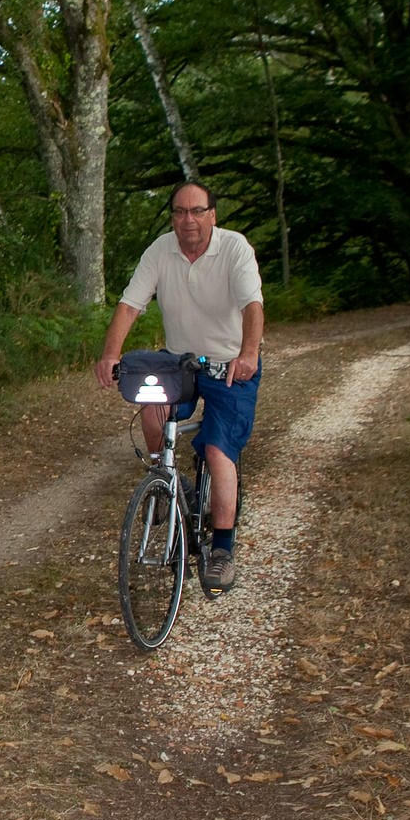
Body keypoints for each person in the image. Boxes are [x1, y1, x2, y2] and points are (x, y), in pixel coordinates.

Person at [94, 181, 264, 593]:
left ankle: (222, 550)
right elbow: (130, 305)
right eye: (180, 211)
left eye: (197, 211)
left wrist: (248, 353)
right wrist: (110, 354)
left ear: (212, 215)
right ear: (173, 217)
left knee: (218, 450)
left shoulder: (235, 248)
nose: (188, 220)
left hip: (229, 365)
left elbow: (252, 306)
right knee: (152, 407)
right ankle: (167, 478)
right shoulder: (160, 250)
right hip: (180, 363)